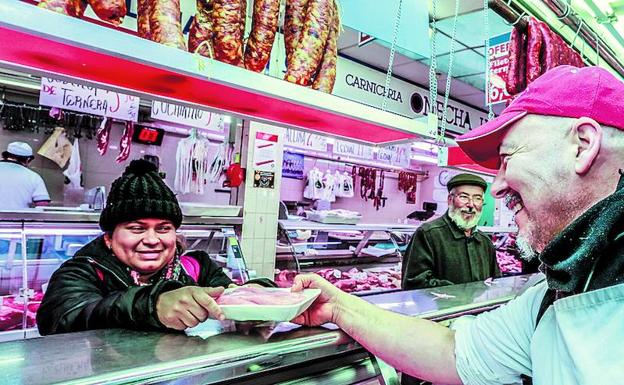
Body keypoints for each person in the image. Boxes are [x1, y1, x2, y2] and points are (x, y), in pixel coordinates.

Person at [291, 65, 624, 385]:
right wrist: (336, 306)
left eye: (507, 159)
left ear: (582, 144)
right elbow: (452, 351)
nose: (496, 188)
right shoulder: (549, 300)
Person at [37, 159, 273, 335]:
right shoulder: (83, 271)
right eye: (137, 228)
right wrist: (152, 304)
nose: (152, 239)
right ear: (109, 238)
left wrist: (268, 296)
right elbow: (60, 319)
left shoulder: (195, 267)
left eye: (163, 228)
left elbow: (234, 295)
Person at [402, 173, 500, 290]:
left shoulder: (485, 242)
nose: (471, 204)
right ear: (450, 200)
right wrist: (463, 294)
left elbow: (496, 281)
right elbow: (413, 283)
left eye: (477, 198)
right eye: (464, 197)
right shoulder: (428, 234)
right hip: (443, 308)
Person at [0, 141, 50, 209]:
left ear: (6, 155)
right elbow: (42, 204)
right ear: (28, 159)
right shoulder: (33, 177)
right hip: (18, 218)